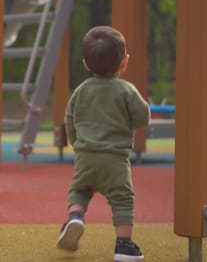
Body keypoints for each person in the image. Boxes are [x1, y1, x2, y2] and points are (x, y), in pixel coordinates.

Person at [56, 26, 150, 261]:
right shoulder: (126, 90)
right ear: (124, 62)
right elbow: (142, 117)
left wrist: (77, 143)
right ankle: (124, 245)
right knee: (122, 199)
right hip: (115, 160)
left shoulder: (80, 91)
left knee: (79, 189)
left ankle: (75, 217)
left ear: (86, 64)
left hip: (86, 156)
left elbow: (69, 118)